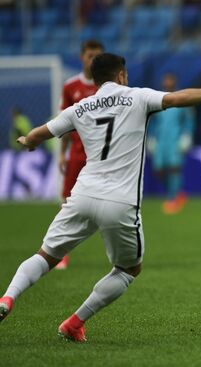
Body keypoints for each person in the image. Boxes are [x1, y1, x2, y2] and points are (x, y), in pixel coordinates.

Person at [0, 52, 201, 342]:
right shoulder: (137, 97)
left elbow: (42, 133)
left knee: (46, 255)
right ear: (121, 76)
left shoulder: (80, 107)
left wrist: (28, 140)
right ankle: (74, 323)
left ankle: (7, 298)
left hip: (81, 195)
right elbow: (179, 98)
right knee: (129, 268)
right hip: (119, 202)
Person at [56, 39, 104, 270]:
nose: (93, 59)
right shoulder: (70, 86)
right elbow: (63, 124)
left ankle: (117, 254)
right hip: (77, 153)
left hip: (105, 156)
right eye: (90, 55)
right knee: (66, 203)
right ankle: (60, 253)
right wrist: (61, 154)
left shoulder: (109, 85)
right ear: (82, 57)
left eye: (98, 56)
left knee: (111, 204)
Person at [148, 73, 196, 214]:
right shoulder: (158, 99)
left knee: (174, 168)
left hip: (175, 139)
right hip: (160, 140)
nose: (167, 83)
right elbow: (153, 121)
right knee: (159, 170)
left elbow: (188, 120)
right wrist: (151, 137)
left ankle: (172, 199)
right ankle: (177, 193)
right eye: (166, 80)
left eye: (170, 80)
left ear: (174, 82)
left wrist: (187, 136)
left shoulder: (182, 99)